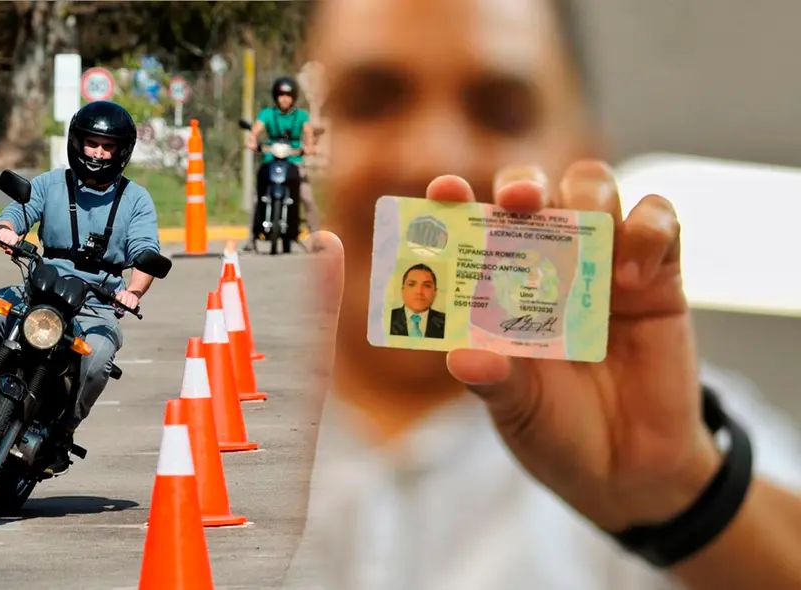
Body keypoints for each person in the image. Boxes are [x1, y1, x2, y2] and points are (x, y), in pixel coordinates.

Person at [284, 0, 801, 588]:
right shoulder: (200, 407)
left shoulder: (692, 439)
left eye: (501, 114)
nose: (432, 159)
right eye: (367, 104)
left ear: (585, 158)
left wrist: (682, 495)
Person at [0, 100, 161, 476]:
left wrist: (132, 292)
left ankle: (63, 432)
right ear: (77, 142)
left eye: (107, 147)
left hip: (97, 302)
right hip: (40, 288)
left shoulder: (136, 199)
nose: (98, 153)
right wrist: (7, 231)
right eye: (91, 143)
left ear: (122, 152)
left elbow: (145, 252)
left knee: (99, 357)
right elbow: (18, 211)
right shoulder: (51, 183)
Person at [244, 76, 319, 251]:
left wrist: (309, 146)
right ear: (275, 97)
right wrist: (252, 140)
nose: (285, 99)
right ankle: (251, 238)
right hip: (271, 160)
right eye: (281, 95)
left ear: (294, 98)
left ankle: (317, 237)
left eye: (288, 96)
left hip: (294, 161)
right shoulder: (267, 114)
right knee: (257, 196)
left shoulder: (301, 115)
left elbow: (308, 131)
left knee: (307, 197)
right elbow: (257, 128)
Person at [389, 263, 445, 338]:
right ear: (402, 290)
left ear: (435, 292)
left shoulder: (447, 322)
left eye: (427, 285)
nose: (419, 291)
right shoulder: (387, 318)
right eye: (411, 284)